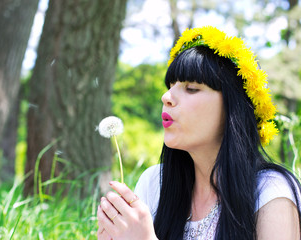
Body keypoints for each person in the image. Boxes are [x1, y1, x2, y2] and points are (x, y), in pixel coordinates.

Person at [96, 26, 301, 240]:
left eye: (191, 88)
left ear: (233, 108)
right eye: (171, 85)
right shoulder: (154, 183)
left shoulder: (270, 192)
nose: (166, 97)